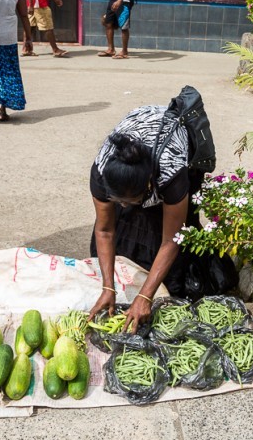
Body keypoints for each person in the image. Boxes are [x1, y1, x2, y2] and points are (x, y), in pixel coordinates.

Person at [87, 105, 205, 332]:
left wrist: (145, 296)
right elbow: (105, 231)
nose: (121, 206)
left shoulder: (171, 174)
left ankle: (151, 293)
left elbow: (172, 240)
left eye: (129, 201)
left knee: (169, 255)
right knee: (121, 227)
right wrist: (108, 288)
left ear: (149, 187)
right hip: (137, 156)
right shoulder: (102, 172)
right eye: (117, 199)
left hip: (173, 148)